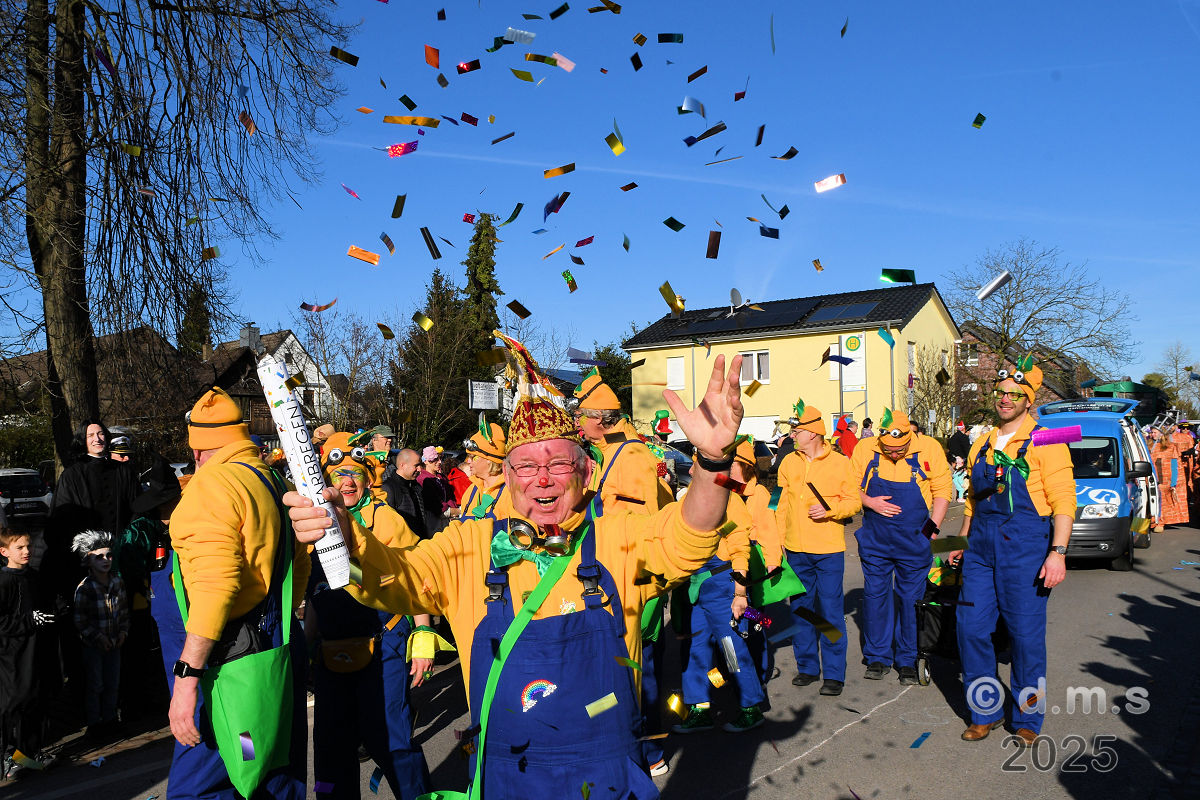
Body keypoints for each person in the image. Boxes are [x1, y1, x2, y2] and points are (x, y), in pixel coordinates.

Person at [285, 355, 746, 799]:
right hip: (507, 781)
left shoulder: (617, 538)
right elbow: (397, 579)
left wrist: (711, 462)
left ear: (586, 472)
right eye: (526, 466)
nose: (542, 479)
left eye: (559, 463)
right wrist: (345, 539)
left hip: (608, 778)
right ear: (507, 476)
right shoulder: (470, 546)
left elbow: (689, 537)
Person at [159, 387, 310, 800]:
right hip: (276, 651)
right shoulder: (274, 480)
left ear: (197, 449)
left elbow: (215, 588)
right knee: (270, 766)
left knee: (204, 784)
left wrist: (187, 679)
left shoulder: (211, 487)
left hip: (230, 667)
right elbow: (300, 564)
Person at [948, 360, 1075, 746]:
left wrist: (1058, 553)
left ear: (1028, 400)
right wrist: (960, 543)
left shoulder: (1047, 439)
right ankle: (983, 711)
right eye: (1001, 392)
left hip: (1026, 548)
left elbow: (1064, 500)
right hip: (980, 549)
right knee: (970, 629)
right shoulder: (982, 443)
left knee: (1025, 638)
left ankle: (1028, 717)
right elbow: (973, 501)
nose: (1005, 399)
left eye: (1014, 394)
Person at [308, 432, 437, 800]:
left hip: (385, 647)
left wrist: (423, 636)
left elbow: (415, 579)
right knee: (331, 749)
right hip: (331, 652)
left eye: (356, 474)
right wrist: (308, 646)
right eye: (339, 474)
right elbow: (316, 594)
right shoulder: (313, 520)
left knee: (392, 742)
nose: (348, 482)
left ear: (368, 478)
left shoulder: (386, 518)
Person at [849, 408, 952, 685]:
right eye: (889, 450)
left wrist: (931, 530)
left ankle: (907, 658)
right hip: (876, 539)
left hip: (914, 540)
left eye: (899, 449)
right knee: (875, 597)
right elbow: (849, 487)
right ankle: (877, 657)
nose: (894, 454)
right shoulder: (866, 449)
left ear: (909, 437)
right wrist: (870, 502)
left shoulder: (929, 448)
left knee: (911, 601)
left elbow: (943, 491)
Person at [775, 402, 859, 696]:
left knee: (831, 611)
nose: (792, 435)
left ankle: (834, 674)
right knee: (801, 610)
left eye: (796, 430)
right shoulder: (788, 462)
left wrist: (830, 511)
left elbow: (854, 502)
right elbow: (779, 505)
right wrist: (778, 542)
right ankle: (808, 668)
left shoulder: (840, 463)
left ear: (812, 433)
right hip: (795, 549)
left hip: (828, 550)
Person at [114, 457, 181, 722]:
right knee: (141, 655)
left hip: (178, 607)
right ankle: (139, 707)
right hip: (143, 604)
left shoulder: (183, 522)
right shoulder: (139, 530)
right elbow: (127, 572)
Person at [570, 369, 669, 513]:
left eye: (580, 417)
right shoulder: (607, 447)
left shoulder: (632, 456)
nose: (577, 423)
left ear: (598, 417)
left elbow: (640, 519)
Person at [0, 529, 57, 778]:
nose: (27, 551)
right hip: (11, 655)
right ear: (4, 552)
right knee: (13, 703)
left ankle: (30, 753)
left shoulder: (32, 576)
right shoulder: (3, 581)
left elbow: (42, 607)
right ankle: (7, 758)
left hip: (35, 650)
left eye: (28, 546)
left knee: (35, 699)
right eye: (20, 547)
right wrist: (28, 621)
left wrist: (53, 611)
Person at [71, 530, 129, 738]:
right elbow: (80, 620)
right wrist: (98, 637)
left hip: (115, 642)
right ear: (88, 561)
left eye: (109, 555)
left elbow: (124, 611)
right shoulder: (85, 587)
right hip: (94, 646)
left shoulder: (117, 582)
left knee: (113, 682)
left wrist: (123, 632)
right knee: (95, 684)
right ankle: (94, 724)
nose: (106, 560)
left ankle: (111, 719)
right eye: (99, 557)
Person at [457, 423, 510, 520]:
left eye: (473, 457)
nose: (468, 461)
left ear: (489, 459)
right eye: (468, 457)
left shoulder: (510, 493)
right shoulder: (471, 491)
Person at [382, 450, 430, 539]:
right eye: (416, 465)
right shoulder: (389, 488)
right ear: (402, 465)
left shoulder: (416, 486)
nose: (420, 469)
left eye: (420, 465)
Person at [416, 447, 450, 534]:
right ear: (426, 461)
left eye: (440, 458)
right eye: (435, 459)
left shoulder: (441, 477)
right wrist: (453, 510)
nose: (440, 462)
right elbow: (433, 505)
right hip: (433, 525)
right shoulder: (423, 479)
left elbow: (450, 496)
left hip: (447, 522)